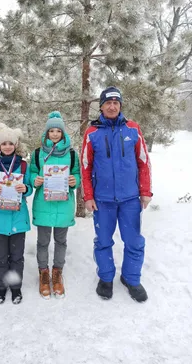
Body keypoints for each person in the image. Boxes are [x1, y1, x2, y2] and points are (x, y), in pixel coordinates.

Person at [81, 86, 152, 303]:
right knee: (103, 241)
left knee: (134, 241)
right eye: (108, 102)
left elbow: (143, 162)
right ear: (101, 106)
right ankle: (106, 277)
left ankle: (131, 278)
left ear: (120, 106)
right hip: (103, 200)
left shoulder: (133, 129)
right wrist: (88, 196)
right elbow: (85, 166)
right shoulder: (92, 132)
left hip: (130, 198)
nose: (112, 106)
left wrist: (145, 191)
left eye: (116, 103)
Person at [30, 111, 81, 299]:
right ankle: (43, 273)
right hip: (44, 204)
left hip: (63, 204)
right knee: (43, 242)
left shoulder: (72, 154)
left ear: (63, 133)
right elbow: (31, 173)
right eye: (50, 131)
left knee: (61, 241)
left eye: (57, 131)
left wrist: (75, 180)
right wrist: (34, 179)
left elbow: (78, 174)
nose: (54, 134)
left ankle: (57, 272)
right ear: (46, 133)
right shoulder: (37, 153)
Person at [0, 123, 32, 305]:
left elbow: (30, 188)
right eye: (4, 143)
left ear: (16, 145)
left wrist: (25, 187)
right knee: (0, 257)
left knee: (17, 256)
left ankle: (16, 287)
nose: (7, 147)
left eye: (11, 143)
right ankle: (1, 288)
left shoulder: (23, 165)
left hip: (18, 218)